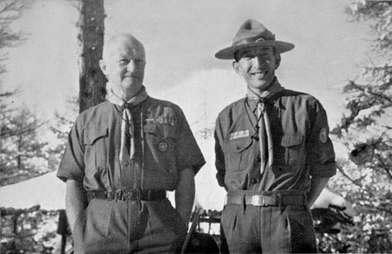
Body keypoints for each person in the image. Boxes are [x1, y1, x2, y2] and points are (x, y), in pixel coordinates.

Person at [57, 34, 205, 254]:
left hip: (158, 227)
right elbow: (73, 180)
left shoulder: (170, 114)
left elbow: (186, 172)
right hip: (101, 229)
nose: (133, 67)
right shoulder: (87, 121)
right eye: (123, 61)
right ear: (104, 67)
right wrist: (80, 235)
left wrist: (180, 225)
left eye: (139, 61)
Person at [214, 19, 336, 253]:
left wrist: (294, 207)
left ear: (277, 59)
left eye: (264, 54)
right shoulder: (227, 117)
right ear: (237, 67)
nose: (258, 63)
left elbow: (323, 170)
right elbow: (223, 175)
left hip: (288, 219)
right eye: (248, 56)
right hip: (239, 223)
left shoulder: (306, 107)